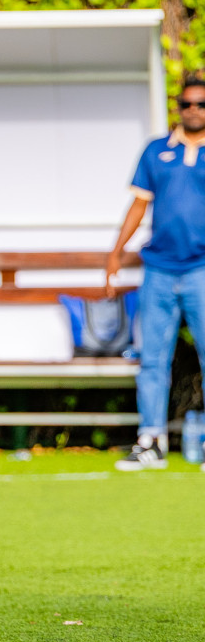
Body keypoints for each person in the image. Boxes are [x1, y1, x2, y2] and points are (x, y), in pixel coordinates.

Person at [105, 73, 205, 471]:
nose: (194, 110)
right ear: (177, 107)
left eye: (202, 104)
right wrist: (115, 252)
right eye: (188, 104)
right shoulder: (156, 151)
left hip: (202, 269)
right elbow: (138, 206)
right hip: (160, 269)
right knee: (152, 359)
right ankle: (151, 441)